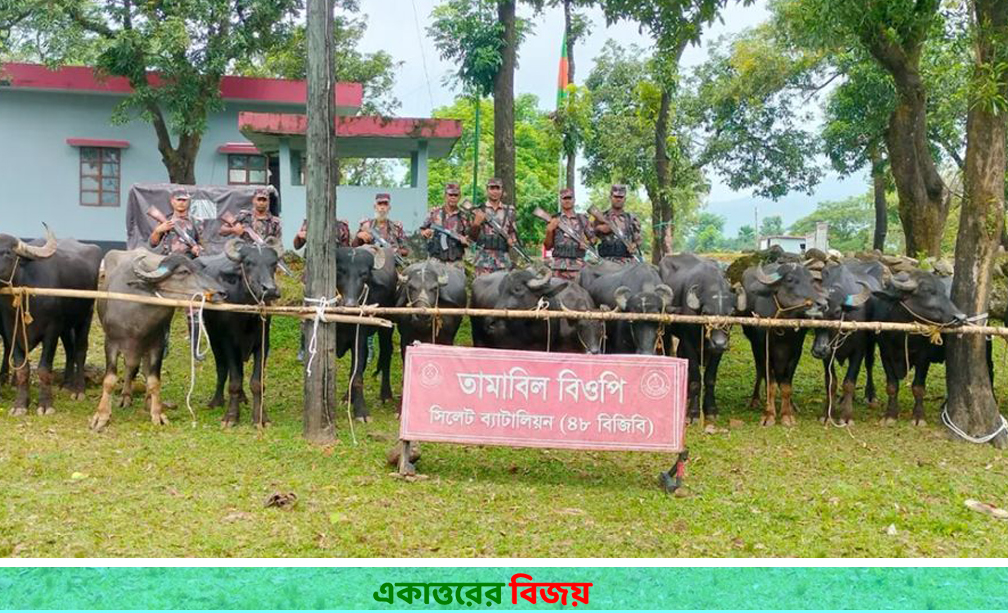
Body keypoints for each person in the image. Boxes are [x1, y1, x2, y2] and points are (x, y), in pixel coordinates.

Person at [468, 177, 518, 276]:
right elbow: (471, 238)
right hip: (482, 262)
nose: (495, 191)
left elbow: (513, 232)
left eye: (497, 188)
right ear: (487, 190)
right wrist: (476, 224)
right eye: (492, 188)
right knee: (481, 291)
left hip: (503, 262)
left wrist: (512, 239)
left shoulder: (509, 211)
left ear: (502, 190)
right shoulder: (478, 210)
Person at [544, 187, 595, 280]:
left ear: (574, 200)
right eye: (564, 198)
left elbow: (593, 239)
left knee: (579, 293)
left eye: (569, 198)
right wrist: (549, 231)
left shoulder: (582, 219)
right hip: (558, 268)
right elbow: (547, 246)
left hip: (578, 267)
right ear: (560, 200)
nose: (567, 201)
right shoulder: (553, 219)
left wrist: (586, 244)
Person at [420, 182, 470, 267]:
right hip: (436, 261)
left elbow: (470, 239)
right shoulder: (434, 213)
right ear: (445, 196)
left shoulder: (463, 216)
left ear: (459, 196)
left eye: (456, 195)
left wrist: (465, 240)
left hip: (456, 262)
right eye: (450, 195)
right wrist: (425, 232)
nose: (453, 197)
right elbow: (422, 230)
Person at [593, 184, 642, 264]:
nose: (618, 199)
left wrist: (634, 245)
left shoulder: (631, 219)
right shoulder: (601, 217)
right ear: (610, 197)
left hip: (626, 261)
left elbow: (638, 240)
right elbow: (591, 241)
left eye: (621, 197)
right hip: (606, 262)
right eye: (615, 197)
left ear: (625, 199)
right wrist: (598, 228)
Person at [150, 188, 202, 257]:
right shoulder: (165, 220)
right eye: (178, 199)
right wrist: (158, 231)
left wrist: (197, 249)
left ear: (189, 202)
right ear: (172, 201)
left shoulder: (195, 222)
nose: (181, 203)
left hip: (188, 261)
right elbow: (153, 244)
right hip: (168, 259)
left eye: (184, 200)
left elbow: (203, 245)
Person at [353, 193, 409, 258]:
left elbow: (406, 251)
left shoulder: (396, 227)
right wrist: (359, 236)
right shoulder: (366, 226)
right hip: (370, 263)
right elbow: (354, 247)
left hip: (390, 263)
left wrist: (393, 251)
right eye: (379, 204)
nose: (382, 207)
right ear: (375, 207)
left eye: (385, 204)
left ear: (389, 208)